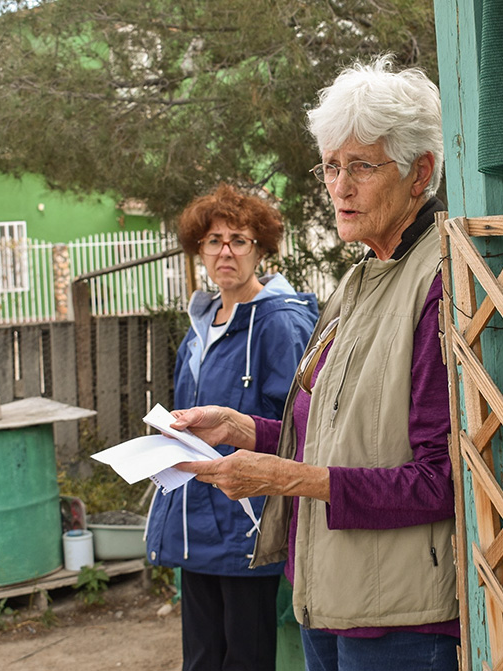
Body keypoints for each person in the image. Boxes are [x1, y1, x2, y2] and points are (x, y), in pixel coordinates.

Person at [170, 56, 460, 670]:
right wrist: (244, 429)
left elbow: (442, 481)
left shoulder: (441, 280)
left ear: (420, 173)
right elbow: (340, 438)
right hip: (325, 597)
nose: (340, 186)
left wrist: (282, 478)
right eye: (330, 166)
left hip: (402, 619)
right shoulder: (359, 279)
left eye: (361, 165)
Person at [145, 183, 319, 671]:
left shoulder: (279, 323)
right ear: (198, 249)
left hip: (246, 520)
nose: (226, 251)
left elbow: (298, 426)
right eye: (214, 240)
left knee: (247, 658)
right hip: (193, 522)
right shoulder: (199, 326)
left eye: (239, 240)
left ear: (259, 249)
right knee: (202, 658)